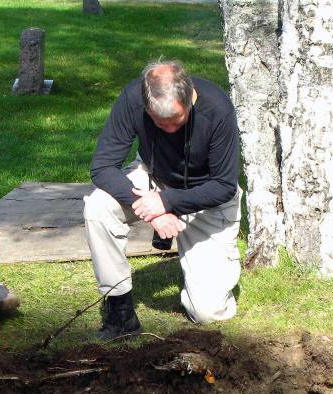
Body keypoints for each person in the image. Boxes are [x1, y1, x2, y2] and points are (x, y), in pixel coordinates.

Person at [84, 59, 242, 339]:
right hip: (153, 179)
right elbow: (102, 167)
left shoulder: (217, 109)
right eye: (160, 123)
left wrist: (167, 202)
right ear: (146, 105)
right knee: (98, 207)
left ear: (190, 98)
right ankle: (120, 311)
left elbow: (224, 185)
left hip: (206, 196)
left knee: (206, 313)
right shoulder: (133, 97)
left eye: (176, 121)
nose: (169, 130)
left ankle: (199, 268)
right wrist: (155, 209)